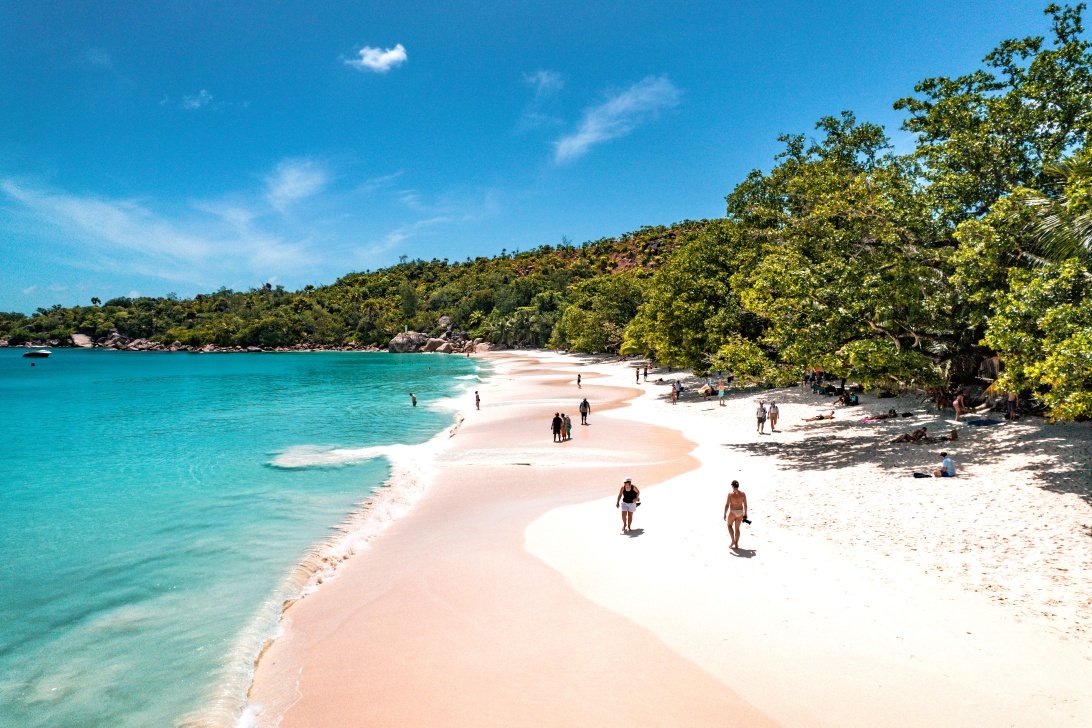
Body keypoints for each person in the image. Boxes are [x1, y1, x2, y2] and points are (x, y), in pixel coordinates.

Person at [723, 480, 748, 549]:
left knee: (729, 525)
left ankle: (733, 541)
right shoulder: (743, 494)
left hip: (733, 512)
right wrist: (745, 513)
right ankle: (736, 543)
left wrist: (725, 514)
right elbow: (745, 505)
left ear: (733, 486)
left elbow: (727, 505)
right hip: (740, 512)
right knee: (737, 528)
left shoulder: (730, 494)